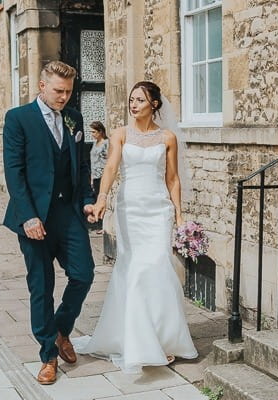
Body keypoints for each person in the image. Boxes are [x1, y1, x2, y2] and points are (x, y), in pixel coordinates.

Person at [75, 81, 198, 374]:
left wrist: (179, 215)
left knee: (157, 266)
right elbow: (111, 169)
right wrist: (102, 198)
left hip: (158, 210)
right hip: (130, 209)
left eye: (140, 100)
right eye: (131, 99)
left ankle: (163, 339)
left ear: (154, 104)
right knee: (133, 269)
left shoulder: (167, 138)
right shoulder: (119, 135)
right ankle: (137, 340)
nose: (133, 104)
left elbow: (172, 179)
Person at [2, 61, 95, 385]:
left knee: (83, 274)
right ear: (42, 85)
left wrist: (87, 201)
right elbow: (14, 172)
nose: (64, 97)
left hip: (68, 214)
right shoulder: (18, 119)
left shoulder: (75, 118)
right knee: (41, 287)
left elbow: (82, 167)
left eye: (68, 92)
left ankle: (60, 330)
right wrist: (28, 216)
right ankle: (48, 356)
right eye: (58, 91)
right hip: (34, 217)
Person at [88, 121, 108, 234]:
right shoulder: (95, 143)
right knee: (96, 197)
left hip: (103, 174)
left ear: (100, 131)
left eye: (94, 132)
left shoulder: (106, 143)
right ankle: (99, 221)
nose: (92, 134)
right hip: (95, 174)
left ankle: (104, 224)